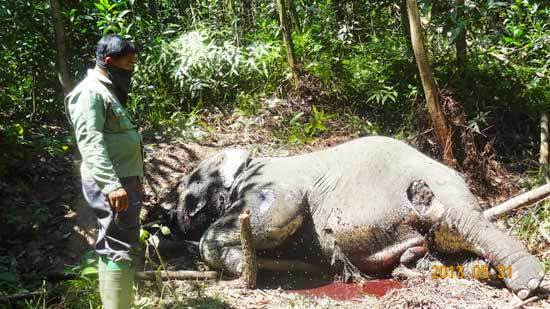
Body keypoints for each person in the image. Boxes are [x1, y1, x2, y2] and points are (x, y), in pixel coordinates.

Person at [65, 34, 143, 309]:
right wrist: (112, 185)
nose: (131, 69)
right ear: (109, 62)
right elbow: (90, 141)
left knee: (122, 242)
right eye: (128, 64)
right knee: (115, 244)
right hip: (112, 181)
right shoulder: (90, 92)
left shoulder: (108, 90)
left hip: (125, 179)